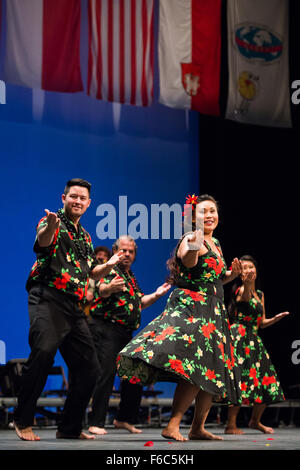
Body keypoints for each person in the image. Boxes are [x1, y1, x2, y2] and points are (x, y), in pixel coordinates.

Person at [116, 194, 243, 442]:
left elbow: (213, 278)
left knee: (211, 371)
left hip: (214, 312)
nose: (209, 216)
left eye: (213, 211)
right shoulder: (189, 239)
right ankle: (173, 424)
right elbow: (189, 260)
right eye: (203, 211)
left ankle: (197, 427)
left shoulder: (215, 242)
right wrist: (194, 239)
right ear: (194, 217)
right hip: (194, 309)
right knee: (196, 369)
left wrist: (231, 275)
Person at [13, 178, 124, 441]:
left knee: (90, 369)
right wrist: (50, 227)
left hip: (73, 306)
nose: (77, 201)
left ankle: (69, 428)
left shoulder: (84, 236)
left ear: (88, 203)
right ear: (63, 198)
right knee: (43, 353)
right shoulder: (52, 221)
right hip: (47, 297)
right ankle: (22, 420)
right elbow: (42, 242)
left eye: (82, 198)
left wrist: (111, 264)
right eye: (72, 196)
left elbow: (91, 272)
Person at [87, 235, 171, 435]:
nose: (126, 254)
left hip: (125, 331)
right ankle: (96, 422)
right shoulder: (109, 269)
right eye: (123, 250)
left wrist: (158, 294)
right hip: (106, 329)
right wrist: (109, 288)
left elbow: (139, 302)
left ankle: (124, 419)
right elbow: (102, 290)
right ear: (116, 250)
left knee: (134, 374)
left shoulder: (130, 276)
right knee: (105, 375)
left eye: (130, 251)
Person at [225, 255, 289, 435]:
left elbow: (261, 322)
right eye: (244, 267)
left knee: (267, 380)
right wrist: (245, 284)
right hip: (239, 338)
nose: (248, 270)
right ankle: (231, 424)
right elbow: (244, 297)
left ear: (256, 269)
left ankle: (255, 421)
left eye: (251, 267)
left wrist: (275, 319)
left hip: (254, 339)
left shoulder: (260, 294)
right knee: (240, 380)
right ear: (240, 273)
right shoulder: (239, 290)